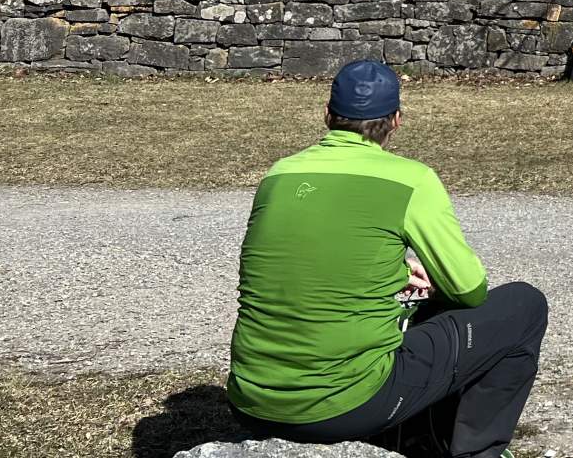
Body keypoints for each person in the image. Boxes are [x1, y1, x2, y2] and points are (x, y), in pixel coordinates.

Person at [227, 59, 548, 458]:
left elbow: (301, 263)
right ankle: (473, 451)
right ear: (396, 120)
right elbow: (469, 290)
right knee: (524, 305)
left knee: (425, 313)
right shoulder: (412, 179)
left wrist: (395, 272)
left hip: (250, 403)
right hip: (344, 406)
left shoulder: (278, 174)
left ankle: (415, 433)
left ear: (326, 114)